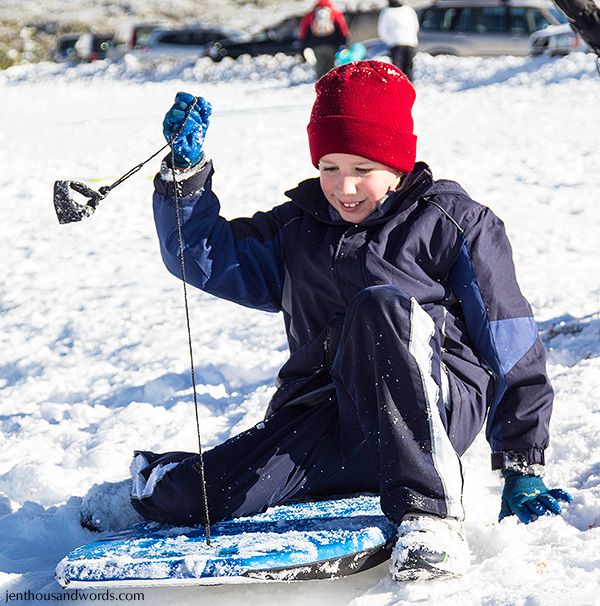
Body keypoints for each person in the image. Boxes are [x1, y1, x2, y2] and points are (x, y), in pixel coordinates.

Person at [132, 61, 572, 582]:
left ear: (398, 163)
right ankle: (151, 481)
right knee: (203, 495)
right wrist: (185, 181)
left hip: (432, 410)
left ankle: (429, 517)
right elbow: (203, 256)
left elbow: (509, 341)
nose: (344, 186)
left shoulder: (453, 222)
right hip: (328, 420)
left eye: (363, 168)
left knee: (379, 306)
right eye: (330, 167)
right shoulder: (298, 225)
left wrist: (521, 462)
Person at [298, 0, 349, 78]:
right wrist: (343, 43)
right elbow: (343, 30)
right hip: (332, 45)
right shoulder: (335, 13)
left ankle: (320, 85)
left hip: (316, 45)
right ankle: (331, 85)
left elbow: (303, 32)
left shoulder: (310, 15)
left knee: (320, 68)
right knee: (331, 68)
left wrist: (304, 46)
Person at [377, 0, 420, 81]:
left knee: (397, 70)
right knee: (408, 68)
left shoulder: (387, 12)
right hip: (409, 42)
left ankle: (400, 89)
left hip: (396, 43)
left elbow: (382, 30)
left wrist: (388, 40)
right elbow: (415, 26)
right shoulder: (409, 10)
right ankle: (408, 88)